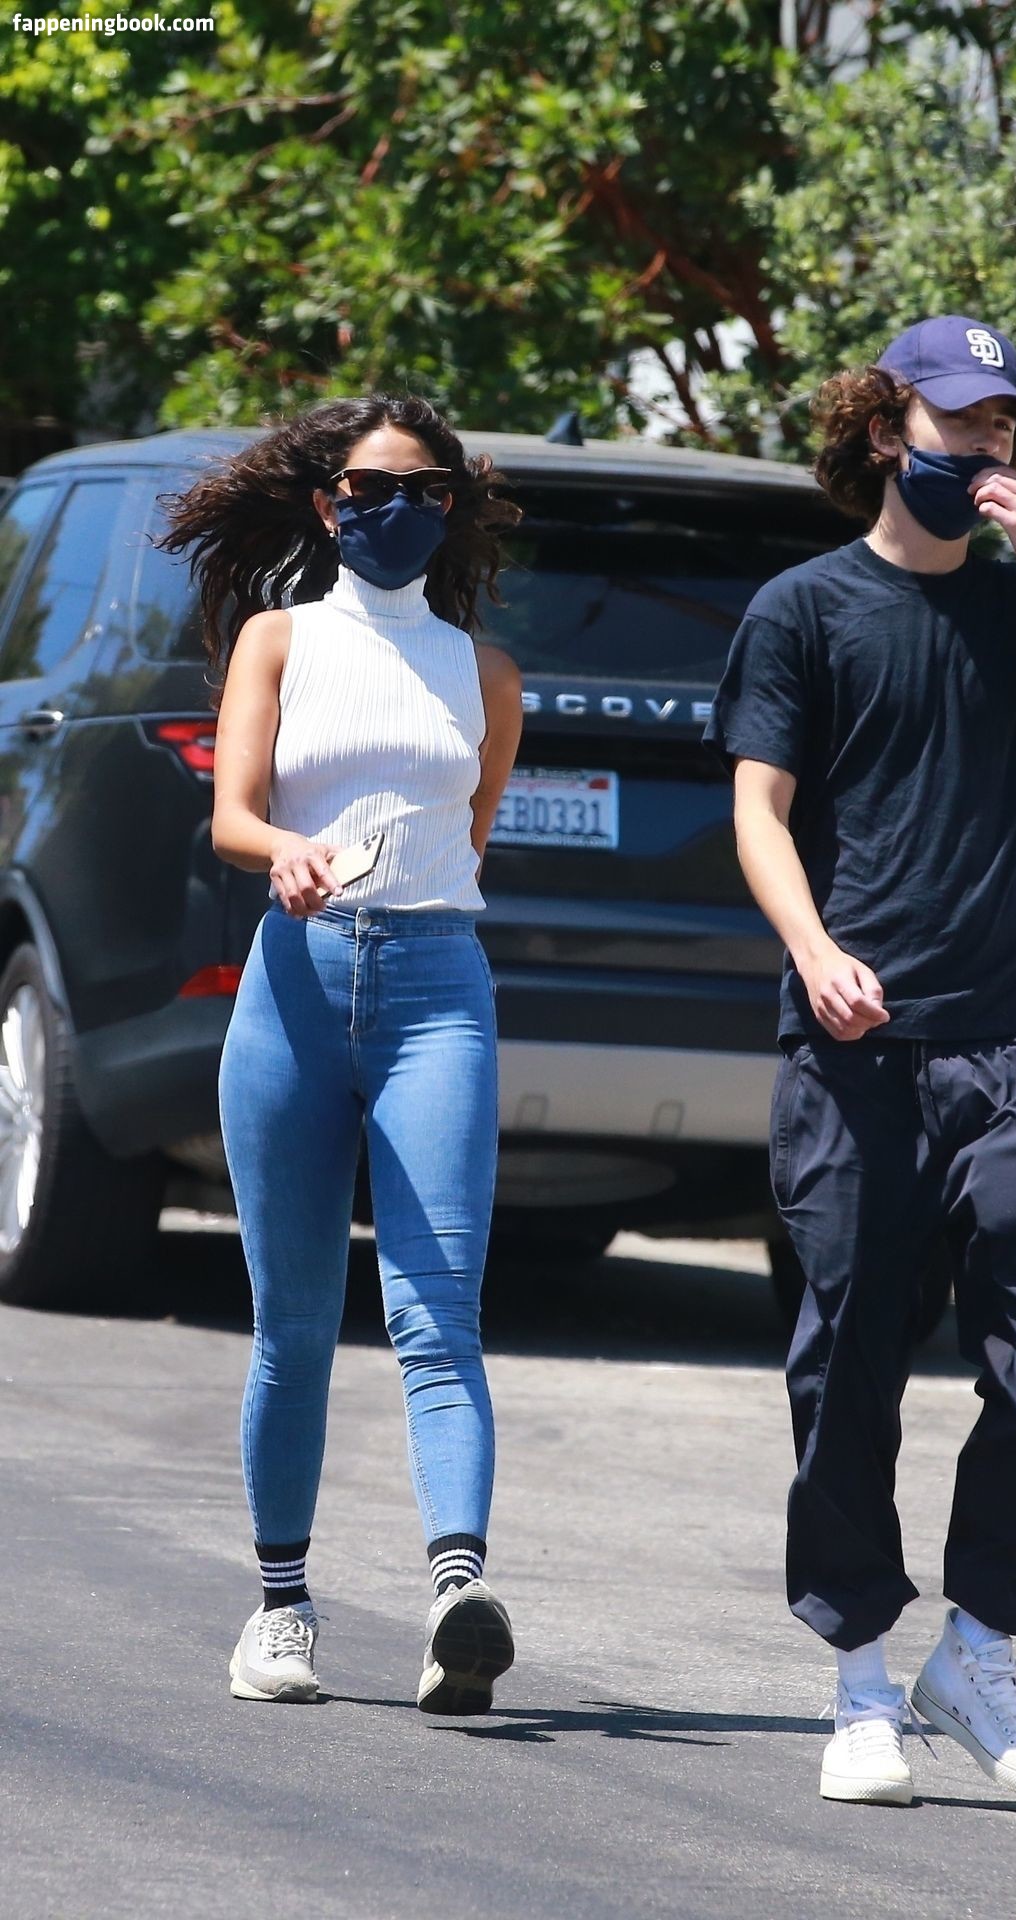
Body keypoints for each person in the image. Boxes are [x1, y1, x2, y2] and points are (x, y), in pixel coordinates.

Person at [705, 315, 1016, 1805]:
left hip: (1003, 1041)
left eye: (1000, 427)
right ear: (885, 426)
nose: (981, 447)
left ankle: (973, 1652)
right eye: (956, 422)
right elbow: (759, 809)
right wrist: (812, 948)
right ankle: (856, 1679)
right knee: (847, 1363)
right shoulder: (803, 608)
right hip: (852, 1050)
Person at [160, 394, 523, 1710]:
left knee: (440, 1309)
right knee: (295, 1325)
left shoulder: (484, 675)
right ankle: (281, 1610)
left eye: (425, 491)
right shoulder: (280, 638)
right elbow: (234, 816)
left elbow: (466, 840)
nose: (397, 511)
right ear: (327, 505)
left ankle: (456, 1596)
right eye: (371, 490)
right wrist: (291, 851)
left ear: (449, 506)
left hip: (437, 988)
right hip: (295, 988)